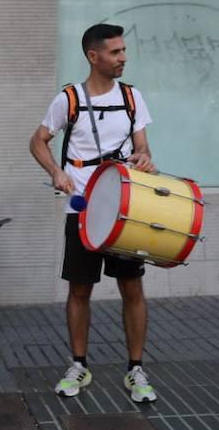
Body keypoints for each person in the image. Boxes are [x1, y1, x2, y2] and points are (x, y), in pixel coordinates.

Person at [29, 23, 159, 404]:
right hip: (83, 207)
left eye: (123, 51)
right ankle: (78, 364)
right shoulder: (68, 98)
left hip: (125, 207)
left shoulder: (133, 98)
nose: (123, 58)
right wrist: (56, 171)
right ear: (93, 56)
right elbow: (37, 141)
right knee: (80, 289)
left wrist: (145, 159)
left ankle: (136, 369)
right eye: (116, 52)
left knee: (132, 288)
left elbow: (143, 147)